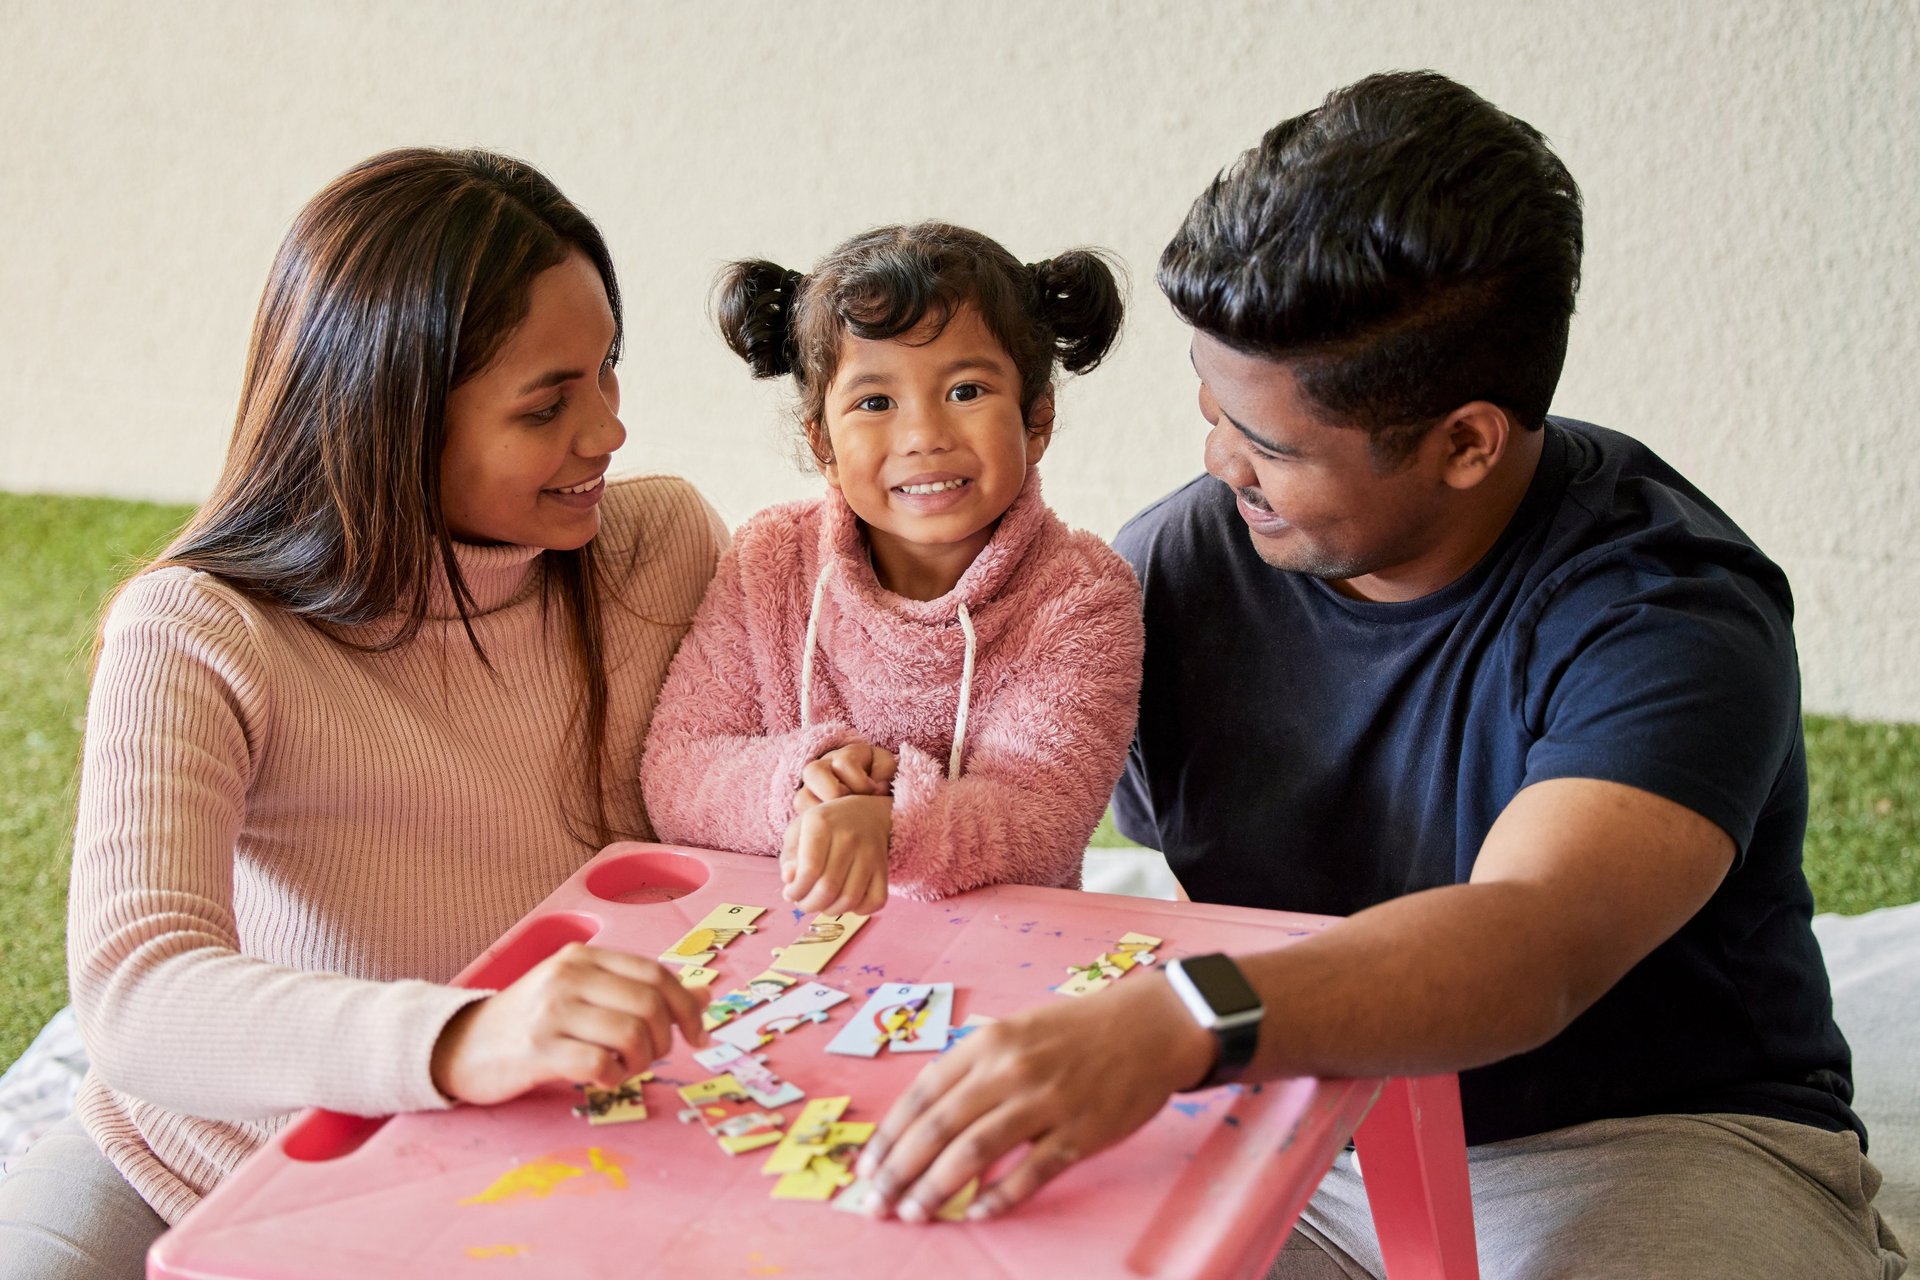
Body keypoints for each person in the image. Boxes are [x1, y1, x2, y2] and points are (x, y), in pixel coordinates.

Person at [854, 73, 1908, 1278]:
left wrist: (1178, 1020)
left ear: (1467, 440)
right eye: (1211, 409)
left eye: (1268, 444)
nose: (1218, 464)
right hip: (1284, 1111)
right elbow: (995, 801)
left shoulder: (1670, 611)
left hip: (1642, 1133)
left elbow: (1530, 945)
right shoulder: (1173, 568)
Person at [0, 149, 717, 1280]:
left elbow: (735, 791)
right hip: (208, 1164)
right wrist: (463, 1033)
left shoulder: (655, 542)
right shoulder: (196, 629)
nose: (608, 433)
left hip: (532, 1167)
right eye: (548, 404)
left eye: (607, 371)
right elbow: (136, 995)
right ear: (391, 418)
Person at [639, 224, 1143, 915]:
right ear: (821, 441)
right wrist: (805, 783)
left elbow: (1041, 817)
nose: (923, 436)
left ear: (1037, 418)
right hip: (787, 953)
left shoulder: (1083, 596)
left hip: (1001, 953)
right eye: (875, 403)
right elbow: (678, 769)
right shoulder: (772, 561)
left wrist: (891, 826)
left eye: (966, 391)